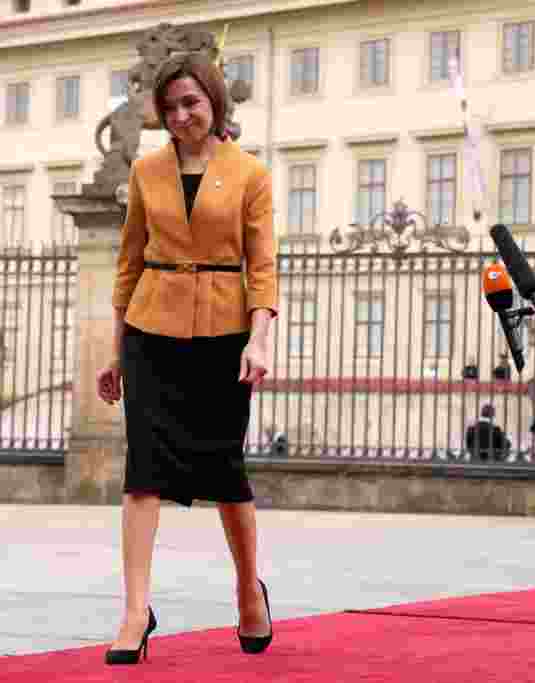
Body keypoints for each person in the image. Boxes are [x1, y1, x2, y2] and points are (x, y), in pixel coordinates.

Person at [96, 53, 277, 664]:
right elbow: (127, 265)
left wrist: (260, 338)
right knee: (143, 472)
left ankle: (249, 590)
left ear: (214, 102)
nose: (181, 116)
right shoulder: (146, 172)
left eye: (191, 103)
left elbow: (263, 267)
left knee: (226, 473)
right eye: (171, 107)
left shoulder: (250, 173)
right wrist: (116, 351)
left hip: (226, 337)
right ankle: (133, 611)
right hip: (152, 331)